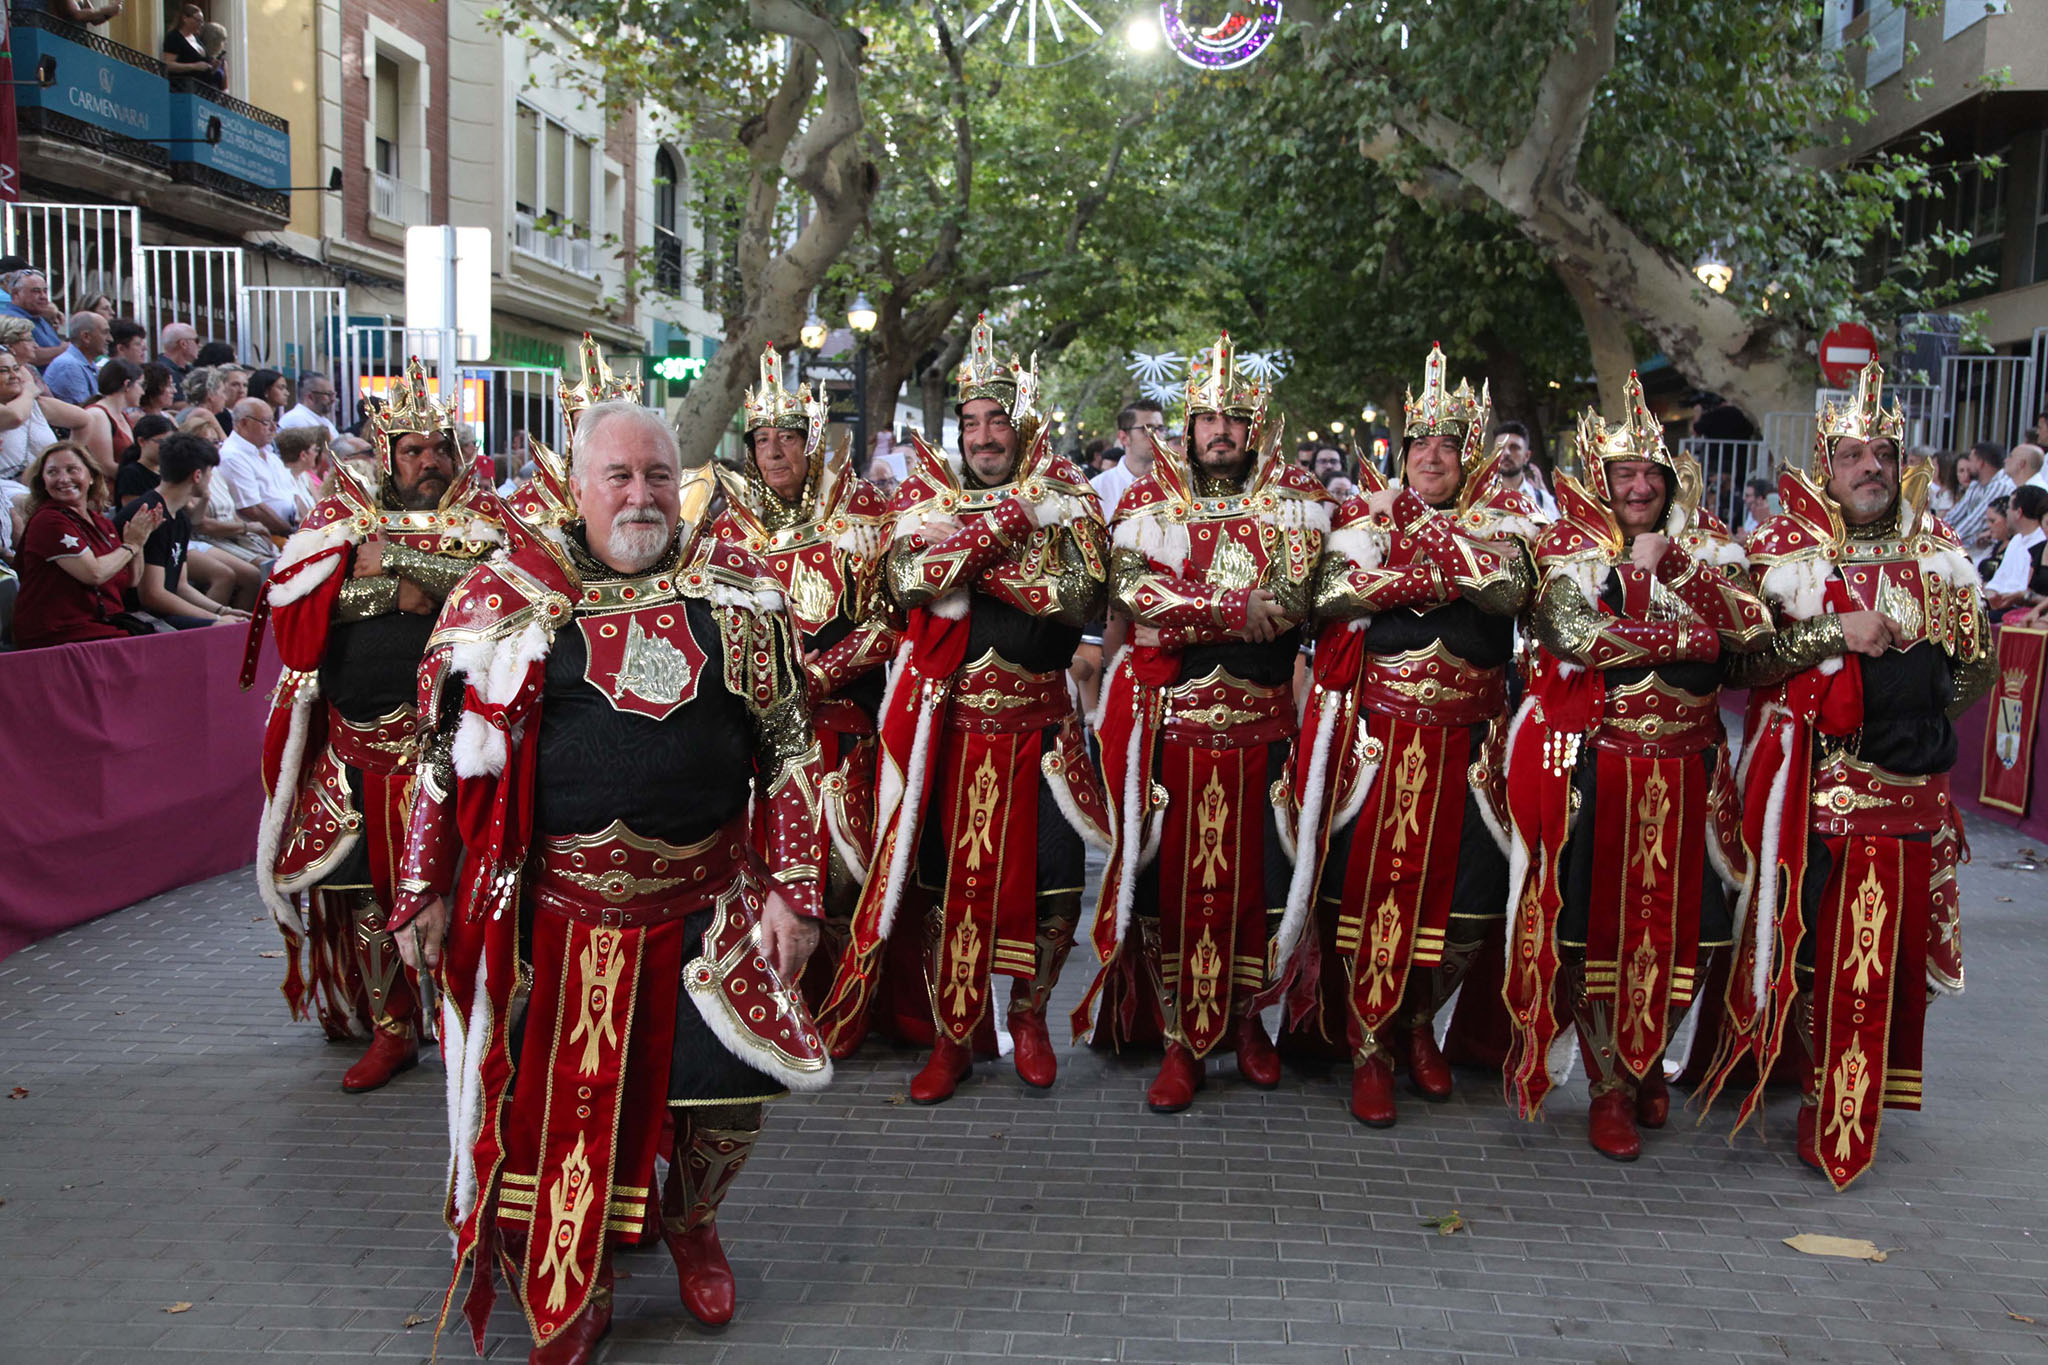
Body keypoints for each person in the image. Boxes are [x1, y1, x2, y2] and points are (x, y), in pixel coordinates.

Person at [388, 398, 831, 1362]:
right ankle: (571, 1273)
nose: (641, 496)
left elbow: (791, 746)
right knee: (551, 1120)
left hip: (707, 908)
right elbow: (437, 760)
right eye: (619, 477)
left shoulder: (739, 596)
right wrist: (420, 886)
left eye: (659, 476)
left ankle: (692, 1219)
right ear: (576, 486)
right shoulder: (507, 600)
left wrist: (799, 890)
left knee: (726, 1094)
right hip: (551, 913)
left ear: (685, 484)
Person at [1705, 361, 1994, 1190]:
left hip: (1910, 802)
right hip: (1817, 797)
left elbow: (1972, 667)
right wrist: (1834, 630)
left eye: (1882, 452)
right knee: (1809, 953)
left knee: (1889, 965)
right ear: (1826, 465)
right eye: (1853, 453)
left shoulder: (1941, 558)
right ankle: (1811, 1091)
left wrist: (1916, 715)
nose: (1870, 465)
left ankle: (1848, 1104)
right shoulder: (1785, 554)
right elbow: (1747, 658)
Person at [817, 312, 1109, 1103]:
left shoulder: (1070, 494)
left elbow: (1079, 596)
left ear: (1021, 426)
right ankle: (953, 1036)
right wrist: (1010, 528)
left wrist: (972, 565)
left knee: (1054, 886)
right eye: (971, 422)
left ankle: (1033, 1013)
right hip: (956, 727)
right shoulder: (925, 496)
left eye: (996, 421)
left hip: (1044, 727)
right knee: (949, 889)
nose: (983, 435)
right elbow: (907, 581)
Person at [1502, 371, 1773, 1162]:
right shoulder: (1561, 547)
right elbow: (1579, 637)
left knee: (1695, 932)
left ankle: (1649, 1056)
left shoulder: (1714, 544)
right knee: (1592, 929)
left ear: (1671, 479)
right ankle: (1608, 1082)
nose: (1640, 486)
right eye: (1625, 474)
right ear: (1602, 479)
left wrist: (1682, 571)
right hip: (1599, 764)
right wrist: (1690, 639)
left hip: (1693, 769)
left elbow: (1751, 635)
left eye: (1652, 474)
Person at [1276, 344, 1539, 1127]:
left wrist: (1421, 555)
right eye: (1420, 445)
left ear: (1469, 455)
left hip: (1473, 744)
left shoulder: (1508, 520)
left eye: (1447, 446)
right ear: (1402, 450)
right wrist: (1425, 568)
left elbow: (1512, 590)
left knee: (1472, 899)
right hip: (1381, 739)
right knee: (1366, 894)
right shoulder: (1362, 516)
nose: (1432, 457)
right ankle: (1368, 1044)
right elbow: (1323, 592)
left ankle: (1419, 1017)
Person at [1070, 333, 1331, 1112]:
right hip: (1174, 730)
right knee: (1169, 891)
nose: (1220, 432)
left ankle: (1247, 1023)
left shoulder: (1294, 501)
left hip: (1265, 730)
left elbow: (1292, 596)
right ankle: (1183, 1037)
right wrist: (1229, 606)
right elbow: (1138, 596)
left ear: (1256, 429)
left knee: (1264, 885)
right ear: (1185, 429)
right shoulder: (1149, 503)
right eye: (1207, 419)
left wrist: (1201, 609)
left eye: (1234, 420)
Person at [250, 358, 502, 1094]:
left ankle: (472, 1022)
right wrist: (399, 589)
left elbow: (492, 593)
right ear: (388, 452)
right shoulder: (340, 511)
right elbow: (301, 599)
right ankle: (393, 1027)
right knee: (361, 894)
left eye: (440, 448)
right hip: (356, 745)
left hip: (453, 747)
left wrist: (390, 561)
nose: (429, 462)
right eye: (414, 450)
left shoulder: (490, 517)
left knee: (466, 889)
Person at [710, 346, 898, 1010]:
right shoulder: (728, 525)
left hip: (843, 729)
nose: (772, 451)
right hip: (756, 735)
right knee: (761, 864)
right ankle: (779, 997)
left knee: (850, 867)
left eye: (787, 437)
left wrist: (814, 675)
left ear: (812, 441)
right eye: (760, 439)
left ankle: (851, 1003)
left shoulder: (861, 512)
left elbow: (888, 623)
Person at [12, 443, 153, 648]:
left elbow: (131, 579)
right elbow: (93, 574)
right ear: (43, 482)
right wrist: (131, 544)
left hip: (100, 625)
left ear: (92, 476)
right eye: (52, 472)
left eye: (72, 470)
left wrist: (139, 541)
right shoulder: (48, 521)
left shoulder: (101, 522)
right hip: (58, 633)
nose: (63, 479)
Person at [112, 432, 244, 629]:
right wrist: (214, 620)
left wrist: (222, 611)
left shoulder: (180, 517)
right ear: (197, 475)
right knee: (223, 631)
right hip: (137, 618)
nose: (210, 479)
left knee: (235, 625)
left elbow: (180, 586)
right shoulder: (150, 514)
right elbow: (152, 595)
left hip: (161, 612)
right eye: (210, 473)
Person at [217, 397, 296, 535]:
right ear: (244, 423)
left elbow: (293, 493)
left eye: (273, 421)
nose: (273, 428)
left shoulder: (269, 453)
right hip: (269, 534)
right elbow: (252, 509)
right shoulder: (232, 456)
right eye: (266, 422)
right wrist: (292, 533)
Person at [1091, 399, 1166, 518]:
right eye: (1148, 429)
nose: (1157, 436)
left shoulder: (1176, 486)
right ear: (1124, 438)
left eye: (1161, 429)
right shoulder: (1097, 489)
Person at [1985, 484, 2048, 615]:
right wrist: (1989, 596)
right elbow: (1997, 582)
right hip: (2002, 603)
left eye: (2008, 508)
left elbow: (2028, 589)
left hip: (2022, 606)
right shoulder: (2016, 540)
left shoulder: (2040, 544)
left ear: (2018, 512)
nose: (2006, 512)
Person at [0, 348, 58, 483]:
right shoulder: (26, 398)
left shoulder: (35, 404)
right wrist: (28, 390)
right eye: (3, 371)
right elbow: (16, 416)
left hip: (41, 483)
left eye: (16, 368)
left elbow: (83, 420)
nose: (14, 375)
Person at [1944, 441, 2012, 552]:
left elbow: (1976, 521)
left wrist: (1945, 542)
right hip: (1967, 548)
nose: (1968, 465)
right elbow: (1954, 515)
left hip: (1985, 550)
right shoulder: (1976, 485)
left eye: (1970, 460)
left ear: (1980, 463)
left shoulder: (2000, 485)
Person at [1492, 420, 1559, 519]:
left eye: (1514, 447)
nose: (1506, 453)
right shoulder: (1479, 496)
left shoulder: (1542, 500)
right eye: (1500, 447)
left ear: (1527, 456)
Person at [42, 312, 108, 407]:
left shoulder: (87, 363)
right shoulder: (69, 365)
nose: (110, 339)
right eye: (105, 332)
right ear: (86, 337)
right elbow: (86, 412)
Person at [0, 271, 64, 368]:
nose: (43, 296)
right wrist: (65, 349)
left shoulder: (38, 316)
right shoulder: (11, 319)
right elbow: (30, 355)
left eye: (45, 291)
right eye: (36, 291)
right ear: (15, 294)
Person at [113, 413, 177, 504]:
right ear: (142, 441)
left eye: (171, 442)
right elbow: (134, 512)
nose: (167, 447)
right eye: (161, 442)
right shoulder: (131, 474)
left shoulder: (166, 472)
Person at [273, 425, 329, 518]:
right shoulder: (284, 478)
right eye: (315, 450)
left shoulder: (304, 475)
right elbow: (306, 516)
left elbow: (321, 507)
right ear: (303, 455)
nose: (317, 454)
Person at [88, 358, 140, 454]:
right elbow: (104, 465)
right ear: (127, 384)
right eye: (141, 385)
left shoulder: (122, 415)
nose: (143, 392)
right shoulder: (98, 415)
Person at [277, 370, 340, 441]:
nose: (333, 399)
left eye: (333, 394)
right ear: (310, 397)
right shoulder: (296, 419)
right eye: (329, 395)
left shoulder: (324, 420)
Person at [160, 3, 212, 74]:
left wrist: (212, 65)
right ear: (185, 19)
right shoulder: (174, 37)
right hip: (184, 83)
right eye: (198, 21)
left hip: (202, 83)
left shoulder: (195, 38)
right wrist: (194, 66)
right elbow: (168, 64)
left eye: (202, 21)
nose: (201, 25)